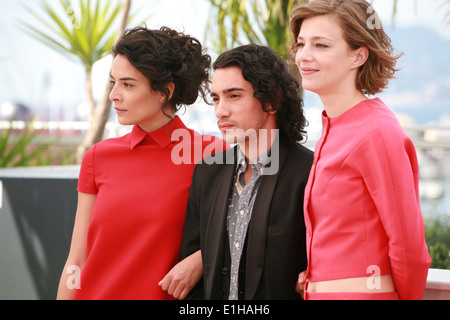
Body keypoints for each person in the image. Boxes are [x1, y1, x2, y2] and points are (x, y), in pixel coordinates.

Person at [56, 26, 226, 300]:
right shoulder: (98, 157)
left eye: (128, 84)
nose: (114, 95)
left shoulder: (212, 154)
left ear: (164, 92)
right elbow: (76, 258)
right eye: (114, 83)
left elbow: (242, 233)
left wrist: (201, 259)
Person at [290, 0, 432, 300]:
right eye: (301, 44)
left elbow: (409, 247)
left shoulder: (376, 133)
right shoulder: (334, 129)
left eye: (321, 45)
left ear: (358, 55)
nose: (304, 55)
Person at [174, 44, 313, 300]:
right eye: (216, 98)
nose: (220, 111)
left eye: (234, 96)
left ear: (272, 100)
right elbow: (194, 277)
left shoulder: (310, 172)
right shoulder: (206, 173)